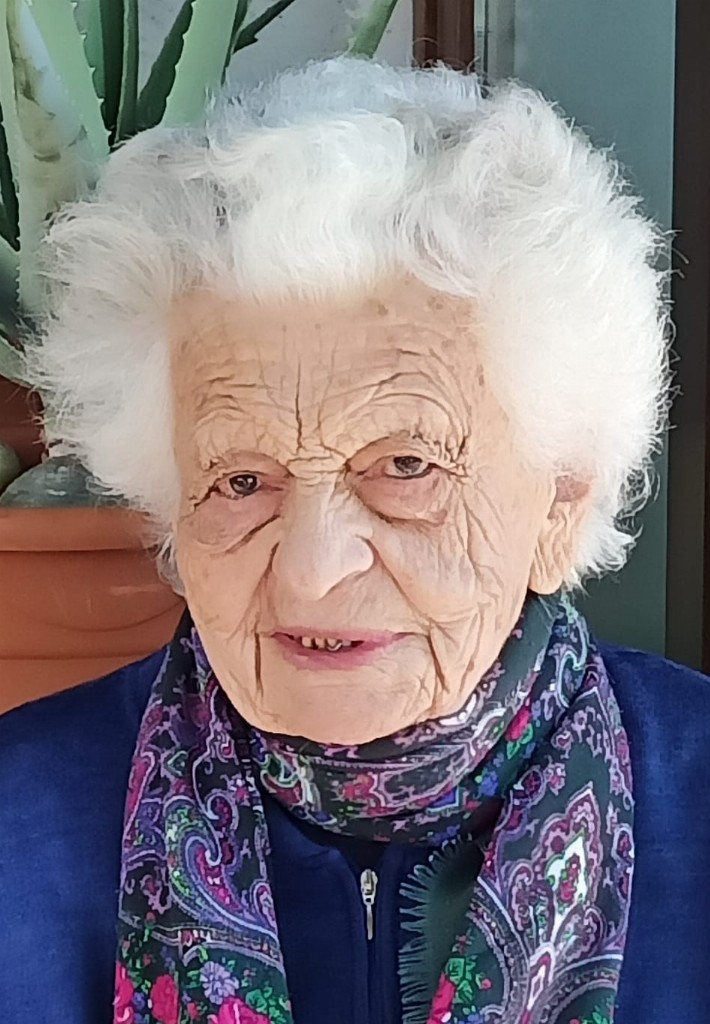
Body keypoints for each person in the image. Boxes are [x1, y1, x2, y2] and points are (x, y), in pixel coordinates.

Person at [1, 57, 708, 1024]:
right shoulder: (20, 819)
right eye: (241, 481)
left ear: (560, 505)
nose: (312, 571)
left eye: (406, 466)